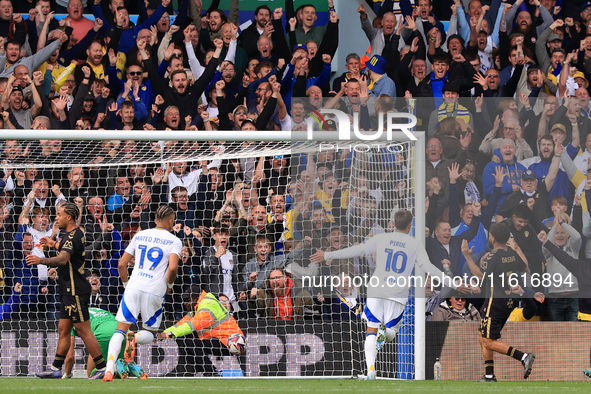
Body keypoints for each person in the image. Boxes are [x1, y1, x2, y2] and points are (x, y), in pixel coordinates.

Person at [311, 210, 461, 380]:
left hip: (376, 290)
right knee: (390, 332)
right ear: (410, 225)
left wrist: (326, 255)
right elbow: (430, 268)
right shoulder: (415, 244)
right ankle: (379, 345)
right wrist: (455, 283)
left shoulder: (380, 238)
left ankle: (370, 370)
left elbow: (355, 250)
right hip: (397, 294)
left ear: (393, 224)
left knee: (371, 330)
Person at [25, 203, 107, 379]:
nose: (56, 218)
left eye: (59, 214)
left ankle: (101, 367)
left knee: (83, 330)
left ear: (69, 217)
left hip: (75, 291)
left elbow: (63, 258)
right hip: (68, 291)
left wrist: (41, 261)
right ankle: (55, 369)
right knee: (63, 329)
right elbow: (65, 248)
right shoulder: (72, 234)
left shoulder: (71, 236)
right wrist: (53, 243)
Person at [102, 205, 181, 382]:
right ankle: (134, 337)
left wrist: (126, 284)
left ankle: (109, 369)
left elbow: (122, 264)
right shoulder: (174, 240)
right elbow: (174, 267)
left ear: (154, 220)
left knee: (119, 331)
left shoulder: (140, 235)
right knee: (150, 332)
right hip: (155, 290)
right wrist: (169, 284)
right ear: (170, 221)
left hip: (134, 286)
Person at [461, 224, 535, 382]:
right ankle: (489, 375)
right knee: (483, 336)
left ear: (492, 238)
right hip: (508, 302)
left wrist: (467, 256)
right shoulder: (513, 255)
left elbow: (480, 276)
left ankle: (524, 357)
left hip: (494, 303)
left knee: (488, 340)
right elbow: (526, 267)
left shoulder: (492, 257)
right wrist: (517, 248)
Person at [158, 287, 245, 377]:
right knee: (184, 338)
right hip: (220, 339)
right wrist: (162, 334)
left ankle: (210, 373)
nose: (185, 303)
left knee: (192, 342)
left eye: (187, 300)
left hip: (232, 341)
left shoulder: (208, 305)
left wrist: (168, 335)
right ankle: (199, 370)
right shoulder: (198, 308)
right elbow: (180, 324)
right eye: (184, 300)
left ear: (196, 298)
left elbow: (192, 325)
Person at [64, 307, 147, 379]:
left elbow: (70, 356)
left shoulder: (71, 319)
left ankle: (115, 368)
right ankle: (128, 367)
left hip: (103, 332)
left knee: (92, 374)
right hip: (122, 331)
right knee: (121, 368)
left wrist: (67, 374)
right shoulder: (96, 310)